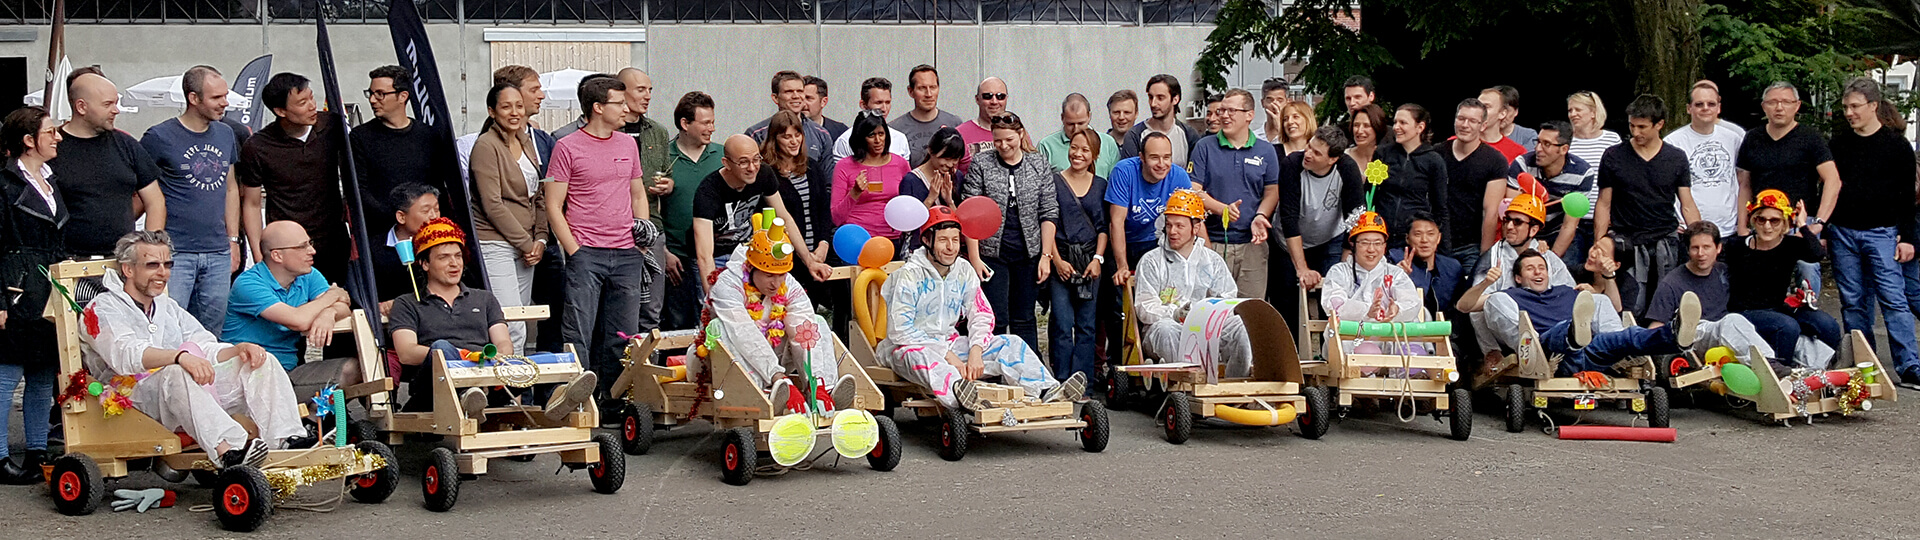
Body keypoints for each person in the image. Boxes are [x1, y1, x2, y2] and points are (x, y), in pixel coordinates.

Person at [83, 231, 310, 471]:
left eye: (167, 264)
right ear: (128, 270)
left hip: (177, 391)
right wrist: (179, 357)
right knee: (176, 373)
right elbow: (126, 355)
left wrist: (237, 351)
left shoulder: (167, 306)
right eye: (152, 265)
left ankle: (285, 440)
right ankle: (230, 451)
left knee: (261, 362)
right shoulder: (101, 308)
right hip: (129, 396)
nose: (162, 273)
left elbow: (203, 344)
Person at [388, 217, 597, 420]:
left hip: (488, 374)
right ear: (424, 263)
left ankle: (557, 398)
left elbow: (504, 343)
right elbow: (406, 353)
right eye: (444, 257)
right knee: (441, 348)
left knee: (543, 357)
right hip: (435, 382)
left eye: (458, 256)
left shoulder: (484, 298)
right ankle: (468, 396)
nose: (454, 264)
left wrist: (497, 356)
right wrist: (464, 355)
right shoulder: (407, 303)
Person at [875, 205, 1080, 411]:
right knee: (922, 357)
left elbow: (981, 313)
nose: (950, 248)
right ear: (927, 241)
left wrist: (975, 349)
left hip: (950, 344)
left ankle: (1047, 390)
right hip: (907, 350)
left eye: (955, 240)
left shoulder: (963, 269)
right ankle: (961, 396)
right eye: (943, 240)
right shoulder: (908, 275)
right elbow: (900, 330)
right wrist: (946, 355)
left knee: (1011, 343)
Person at [544, 75, 652, 404]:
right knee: (578, 330)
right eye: (618, 103)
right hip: (586, 252)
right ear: (597, 107)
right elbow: (552, 204)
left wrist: (642, 234)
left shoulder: (627, 144)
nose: (626, 108)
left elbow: (637, 193)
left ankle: (614, 400)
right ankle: (576, 401)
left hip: (626, 252)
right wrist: (574, 250)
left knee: (622, 333)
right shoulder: (567, 147)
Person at [1459, 248, 1699, 380]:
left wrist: (1596, 290)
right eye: (1530, 269)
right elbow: (1464, 306)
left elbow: (1613, 309)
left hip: (1593, 350)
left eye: (1542, 267)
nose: (1538, 272)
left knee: (1625, 333)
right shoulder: (1513, 294)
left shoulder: (1568, 291)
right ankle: (1573, 333)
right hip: (1548, 353)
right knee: (1554, 328)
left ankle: (1674, 334)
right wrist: (1483, 285)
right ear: (1519, 278)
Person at [705, 210, 854, 410]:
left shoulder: (787, 282)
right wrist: (776, 375)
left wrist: (813, 379)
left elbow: (802, 322)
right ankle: (764, 392)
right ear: (752, 267)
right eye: (768, 275)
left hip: (776, 355)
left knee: (814, 323)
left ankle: (821, 389)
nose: (776, 283)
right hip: (725, 360)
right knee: (720, 328)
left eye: (781, 275)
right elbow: (744, 333)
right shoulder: (727, 284)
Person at [1828, 77, 1920, 384]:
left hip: (1883, 232)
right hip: (1843, 232)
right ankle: (1862, 362)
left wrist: (1908, 238)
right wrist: (1826, 229)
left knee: (1894, 298)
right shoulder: (1838, 143)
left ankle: (1908, 364)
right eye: (1845, 107)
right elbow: (1828, 188)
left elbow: (1907, 197)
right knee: (1853, 300)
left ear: (1873, 106)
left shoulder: (1897, 146)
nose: (1849, 113)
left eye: (1855, 106)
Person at [142, 65, 241, 334]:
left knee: (211, 331)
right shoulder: (158, 137)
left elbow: (231, 188)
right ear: (193, 98)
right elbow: (142, 190)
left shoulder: (226, 133)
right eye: (216, 98)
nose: (225, 103)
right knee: (167, 327)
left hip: (218, 250)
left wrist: (233, 240)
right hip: (175, 251)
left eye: (225, 95)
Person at [0, 107, 64, 483]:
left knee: (42, 373)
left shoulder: (51, 180)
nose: (57, 137)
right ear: (29, 141)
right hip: (15, 284)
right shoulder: (4, 185)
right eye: (50, 132)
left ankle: (38, 449)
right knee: (6, 376)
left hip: (47, 284)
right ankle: (0, 456)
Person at [224, 221, 356, 400]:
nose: (312, 251)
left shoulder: (308, 275)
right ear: (277, 255)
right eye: (302, 246)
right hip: (248, 377)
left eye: (310, 243)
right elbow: (297, 321)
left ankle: (312, 419)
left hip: (287, 373)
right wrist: (331, 297)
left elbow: (344, 307)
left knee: (354, 369)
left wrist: (329, 313)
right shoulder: (248, 284)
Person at [1134, 189, 1257, 374]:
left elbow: (1227, 298)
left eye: (1179, 226)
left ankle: (1235, 383)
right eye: (1169, 225)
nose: (1172, 231)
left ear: (1196, 227)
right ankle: (1185, 384)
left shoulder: (1212, 260)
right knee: (1166, 329)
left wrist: (1207, 314)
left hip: (1206, 328)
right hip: (1167, 328)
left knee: (1240, 326)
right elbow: (1144, 307)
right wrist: (1175, 314)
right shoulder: (1152, 260)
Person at [239, 73, 349, 282]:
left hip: (333, 241)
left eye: (311, 98)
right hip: (287, 246)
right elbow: (251, 204)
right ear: (280, 111)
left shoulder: (332, 127)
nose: (311, 106)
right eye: (302, 103)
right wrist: (258, 252)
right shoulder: (258, 147)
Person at [962, 112, 1057, 352]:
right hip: (993, 253)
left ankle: (1030, 376)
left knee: (1024, 317)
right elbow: (970, 211)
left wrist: (1046, 255)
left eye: (1009, 140)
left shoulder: (1038, 164)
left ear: (1021, 135)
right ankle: (991, 375)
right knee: (995, 317)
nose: (1003, 146)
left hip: (1028, 252)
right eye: (998, 141)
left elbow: (1048, 211)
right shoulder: (982, 163)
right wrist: (975, 258)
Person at [1594, 95, 1697, 314]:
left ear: (1659, 124)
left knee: (1665, 303)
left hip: (1665, 239)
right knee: (1631, 304)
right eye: (1632, 125)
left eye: (1642, 127)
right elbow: (1604, 203)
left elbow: (1686, 203)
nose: (1635, 132)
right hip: (1627, 240)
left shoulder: (1676, 157)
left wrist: (1699, 236)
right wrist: (1599, 242)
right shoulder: (1613, 155)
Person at [696, 133, 831, 295]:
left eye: (756, 159)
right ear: (727, 163)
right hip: (717, 255)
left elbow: (785, 218)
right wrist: (712, 298)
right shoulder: (708, 191)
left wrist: (810, 262)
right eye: (743, 162)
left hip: (749, 251)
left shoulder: (764, 174)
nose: (752, 168)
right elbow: (704, 255)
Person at [469, 81, 547, 352]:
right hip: (496, 243)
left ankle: (518, 387)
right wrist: (528, 244)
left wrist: (541, 238)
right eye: (506, 107)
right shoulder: (485, 146)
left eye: (518, 105)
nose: (514, 112)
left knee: (522, 319)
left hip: (528, 244)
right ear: (492, 111)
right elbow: (492, 205)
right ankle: (507, 391)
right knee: (509, 322)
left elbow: (538, 195)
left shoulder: (526, 141)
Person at [53, 70, 164, 259]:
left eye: (116, 102)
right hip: (67, 259)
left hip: (122, 260)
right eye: (108, 104)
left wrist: (151, 250)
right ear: (81, 107)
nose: (116, 110)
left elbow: (155, 201)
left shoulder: (126, 144)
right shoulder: (52, 147)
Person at [1727, 190, 1840, 371]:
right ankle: (1781, 377)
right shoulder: (1737, 246)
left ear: (1785, 223)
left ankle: (1827, 369)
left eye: (1775, 220)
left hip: (1778, 306)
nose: (1767, 226)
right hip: (1746, 310)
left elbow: (1818, 254)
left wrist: (1802, 224)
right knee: (1787, 327)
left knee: (1827, 324)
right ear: (1754, 220)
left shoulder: (1790, 245)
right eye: (1761, 219)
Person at [1190, 88, 1280, 299]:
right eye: (1222, 111)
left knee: (1251, 311)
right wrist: (1222, 209)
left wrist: (1261, 216)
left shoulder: (1266, 150)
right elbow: (1194, 190)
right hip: (1213, 241)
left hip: (1253, 244)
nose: (1224, 116)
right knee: (1213, 310)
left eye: (1232, 111)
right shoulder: (1204, 147)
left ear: (1249, 115)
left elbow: (1272, 190)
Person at [1643, 221, 1776, 360]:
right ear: (1688, 250)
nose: (1701, 253)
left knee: (1777, 325)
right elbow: (1656, 325)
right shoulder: (1671, 283)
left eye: (1706, 247)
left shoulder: (1724, 271)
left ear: (1718, 248)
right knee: (1731, 321)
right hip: (1696, 340)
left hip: (1726, 338)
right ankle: (1769, 362)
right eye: (1695, 248)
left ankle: (1770, 366)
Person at [1274, 125, 1365, 319]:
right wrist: (1302, 268)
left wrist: (1346, 261)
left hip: (1329, 239)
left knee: (1332, 297)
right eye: (1309, 146)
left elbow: (1356, 217)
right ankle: (1293, 347)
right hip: (1289, 239)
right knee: (1288, 300)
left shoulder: (1347, 168)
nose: (1308, 154)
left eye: (1316, 153)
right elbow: (1289, 218)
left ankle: (1330, 347)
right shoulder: (1292, 164)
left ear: (1333, 159)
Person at [352, 65, 451, 236]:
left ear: (402, 96)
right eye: (371, 93)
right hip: (381, 232)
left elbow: (437, 185)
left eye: (380, 94)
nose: (373, 100)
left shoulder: (429, 135)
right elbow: (359, 189)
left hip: (426, 230)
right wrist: (396, 219)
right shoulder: (360, 137)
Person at [660, 92, 726, 331]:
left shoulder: (722, 156)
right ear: (685, 124)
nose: (712, 128)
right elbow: (649, 209)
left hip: (717, 255)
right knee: (678, 324)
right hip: (677, 258)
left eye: (713, 121)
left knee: (713, 320)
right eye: (706, 123)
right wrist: (664, 252)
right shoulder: (664, 158)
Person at [1049, 128, 1108, 385]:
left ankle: (1082, 380)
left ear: (1094, 154)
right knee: (1062, 322)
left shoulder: (1100, 185)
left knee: (1087, 325)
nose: (1078, 154)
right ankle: (1062, 378)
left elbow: (1103, 228)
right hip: (1060, 257)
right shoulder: (1054, 181)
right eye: (1074, 147)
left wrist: (1098, 259)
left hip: (1089, 262)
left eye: (1085, 150)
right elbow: (1047, 221)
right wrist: (1056, 261)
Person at [1108, 133, 1194, 287]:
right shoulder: (1124, 171)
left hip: (1154, 240)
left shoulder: (1179, 176)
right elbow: (1116, 221)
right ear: (1142, 157)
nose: (1162, 164)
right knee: (1117, 297)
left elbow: (1192, 219)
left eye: (1167, 157)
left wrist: (1206, 258)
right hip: (1122, 239)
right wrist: (1122, 265)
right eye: (1155, 157)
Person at [761, 110, 835, 285]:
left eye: (797, 135)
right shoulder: (767, 173)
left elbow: (824, 209)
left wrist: (823, 244)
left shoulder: (812, 167)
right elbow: (780, 217)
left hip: (817, 253)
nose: (794, 141)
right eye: (787, 137)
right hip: (785, 256)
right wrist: (805, 256)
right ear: (775, 139)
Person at [1663, 80, 1744, 237]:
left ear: (1719, 107)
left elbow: (1744, 181)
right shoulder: (1673, 142)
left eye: (1711, 104)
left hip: (1729, 229)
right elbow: (1663, 187)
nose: (1706, 108)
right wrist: (1672, 220)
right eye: (1699, 104)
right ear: (1689, 108)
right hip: (1690, 231)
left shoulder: (1734, 139)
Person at [1510, 121, 1596, 266]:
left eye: (1546, 144)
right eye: (1538, 142)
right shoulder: (1522, 164)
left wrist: (1551, 261)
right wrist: (1532, 242)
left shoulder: (1582, 173)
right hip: (1526, 228)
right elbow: (1513, 213)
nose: (1538, 149)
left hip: (1558, 230)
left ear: (1564, 149)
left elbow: (1569, 225)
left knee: (1568, 265)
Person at [1443, 98, 1510, 273]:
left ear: (1483, 126)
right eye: (1461, 119)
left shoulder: (1495, 161)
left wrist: (1484, 255)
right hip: (1437, 242)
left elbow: (1491, 211)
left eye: (1472, 121)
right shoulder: (1436, 154)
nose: (1465, 125)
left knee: (1469, 297)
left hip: (1470, 247)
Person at [458, 65, 556, 184]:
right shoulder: (470, 146)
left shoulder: (544, 141)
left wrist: (541, 183)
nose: (541, 95)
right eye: (533, 90)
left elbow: (556, 178)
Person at [1321, 211, 1421, 323]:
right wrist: (1367, 311)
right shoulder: (1339, 272)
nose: (1371, 249)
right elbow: (1334, 303)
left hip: (1388, 335)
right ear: (1353, 245)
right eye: (1364, 243)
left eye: (1377, 243)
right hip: (1351, 335)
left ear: (1385, 246)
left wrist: (1397, 309)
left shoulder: (1395, 273)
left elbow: (1412, 302)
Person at [1373, 104, 1449, 247]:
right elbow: (1369, 194)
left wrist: (1444, 251)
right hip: (1381, 235)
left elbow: (1440, 207)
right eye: (1395, 122)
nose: (1396, 127)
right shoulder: (1382, 154)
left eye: (1403, 123)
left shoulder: (1434, 160)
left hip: (1413, 239)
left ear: (1420, 127)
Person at [831, 111, 914, 242]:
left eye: (881, 134)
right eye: (871, 135)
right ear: (861, 137)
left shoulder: (900, 164)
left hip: (892, 237)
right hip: (856, 238)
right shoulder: (844, 166)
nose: (878, 140)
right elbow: (836, 217)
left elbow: (909, 204)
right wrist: (855, 192)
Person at [370, 184, 440, 310]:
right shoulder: (373, 249)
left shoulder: (444, 244)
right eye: (425, 211)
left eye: (436, 209)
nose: (434, 216)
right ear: (401, 217)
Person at [1391, 213, 1465, 316]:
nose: (1424, 240)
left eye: (1430, 234)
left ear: (1439, 238)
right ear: (1407, 238)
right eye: (1417, 234)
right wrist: (1398, 275)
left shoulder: (1453, 267)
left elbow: (1460, 307)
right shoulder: (1393, 260)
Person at [745, 70, 831, 161]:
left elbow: (828, 173)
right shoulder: (756, 134)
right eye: (789, 92)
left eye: (800, 91)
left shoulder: (821, 134)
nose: (796, 96)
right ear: (775, 98)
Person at [893, 65, 966, 167]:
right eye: (922, 88)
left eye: (933, 87)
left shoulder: (954, 124)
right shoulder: (896, 129)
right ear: (910, 91)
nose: (929, 94)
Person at [1120, 74, 1202, 164]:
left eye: (1160, 98)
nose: (1153, 104)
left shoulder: (1189, 135)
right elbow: (1130, 173)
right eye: (1151, 97)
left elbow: (1195, 173)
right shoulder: (1135, 135)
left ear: (1175, 99)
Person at [1038, 93, 1121, 177]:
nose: (1076, 129)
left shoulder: (1108, 143)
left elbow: (1115, 179)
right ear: (1062, 118)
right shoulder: (1046, 146)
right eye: (1070, 124)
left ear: (1089, 116)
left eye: (1081, 123)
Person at [1566, 91, 1621, 218]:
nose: (1573, 114)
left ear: (1593, 112)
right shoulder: (1565, 142)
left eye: (1578, 109)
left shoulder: (1612, 140)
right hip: (1572, 216)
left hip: (1604, 215)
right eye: (1570, 110)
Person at [831, 77, 910, 163]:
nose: (884, 108)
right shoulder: (844, 141)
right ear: (863, 105)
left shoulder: (900, 139)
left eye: (887, 102)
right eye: (878, 103)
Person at [956, 77, 1032, 164]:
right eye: (987, 96)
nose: (994, 101)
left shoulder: (1017, 133)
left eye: (1000, 96)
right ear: (977, 99)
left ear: (1006, 98)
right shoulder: (960, 133)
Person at [900, 127, 967, 210]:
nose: (950, 164)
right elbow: (908, 218)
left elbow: (961, 219)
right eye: (946, 159)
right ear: (930, 150)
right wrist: (930, 198)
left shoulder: (957, 176)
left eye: (955, 159)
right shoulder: (910, 181)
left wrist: (949, 201)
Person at [1476, 87, 1527, 161]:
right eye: (1477, 106)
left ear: (1502, 114)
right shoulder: (1457, 143)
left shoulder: (1517, 152)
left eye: (1486, 107)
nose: (1479, 110)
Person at [1482, 85, 1537, 153]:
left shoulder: (1528, 135)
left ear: (1516, 111)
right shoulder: (1475, 135)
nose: (1503, 116)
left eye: (1506, 111)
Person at [802, 75, 849, 141]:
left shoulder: (840, 132)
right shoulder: (789, 130)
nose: (803, 104)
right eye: (800, 98)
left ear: (823, 102)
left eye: (808, 98)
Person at [1258, 77, 1293, 144]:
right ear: (1263, 103)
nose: (1275, 105)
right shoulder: (1254, 137)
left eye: (1280, 100)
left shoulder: (1293, 137)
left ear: (1288, 102)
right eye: (1270, 100)